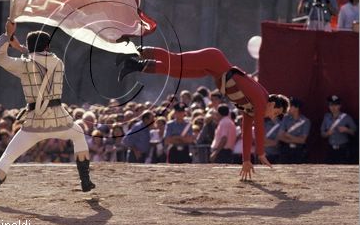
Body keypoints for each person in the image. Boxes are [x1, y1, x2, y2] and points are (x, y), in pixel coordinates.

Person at [0, 18, 95, 206]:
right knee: (78, 135)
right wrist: (22, 48)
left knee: (8, 156)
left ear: (29, 46)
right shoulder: (58, 62)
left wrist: (7, 35)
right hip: (59, 118)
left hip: (35, 122)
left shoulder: (24, 65)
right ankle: (85, 180)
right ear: (49, 46)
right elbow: (40, 58)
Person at [117, 46, 289, 180]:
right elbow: (258, 128)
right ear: (273, 104)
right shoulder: (261, 100)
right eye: (276, 112)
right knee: (176, 61)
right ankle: (131, 51)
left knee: (177, 71)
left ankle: (135, 65)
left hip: (215, 71)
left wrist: (246, 160)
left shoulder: (252, 107)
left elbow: (246, 131)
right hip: (215, 60)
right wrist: (260, 153)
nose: (273, 116)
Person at [320, 95, 357, 164]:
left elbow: (355, 132)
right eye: (331, 105)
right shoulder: (326, 117)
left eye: (335, 105)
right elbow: (322, 134)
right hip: (331, 149)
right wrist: (327, 133)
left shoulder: (346, 117)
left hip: (343, 150)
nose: (333, 107)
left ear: (340, 106)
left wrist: (347, 130)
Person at [277, 98, 311, 164]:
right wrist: (294, 139)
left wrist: (288, 136)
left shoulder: (305, 121)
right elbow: (280, 136)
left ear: (296, 108)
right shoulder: (285, 119)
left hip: (299, 151)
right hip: (286, 150)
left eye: (290, 106)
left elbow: (302, 140)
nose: (288, 108)